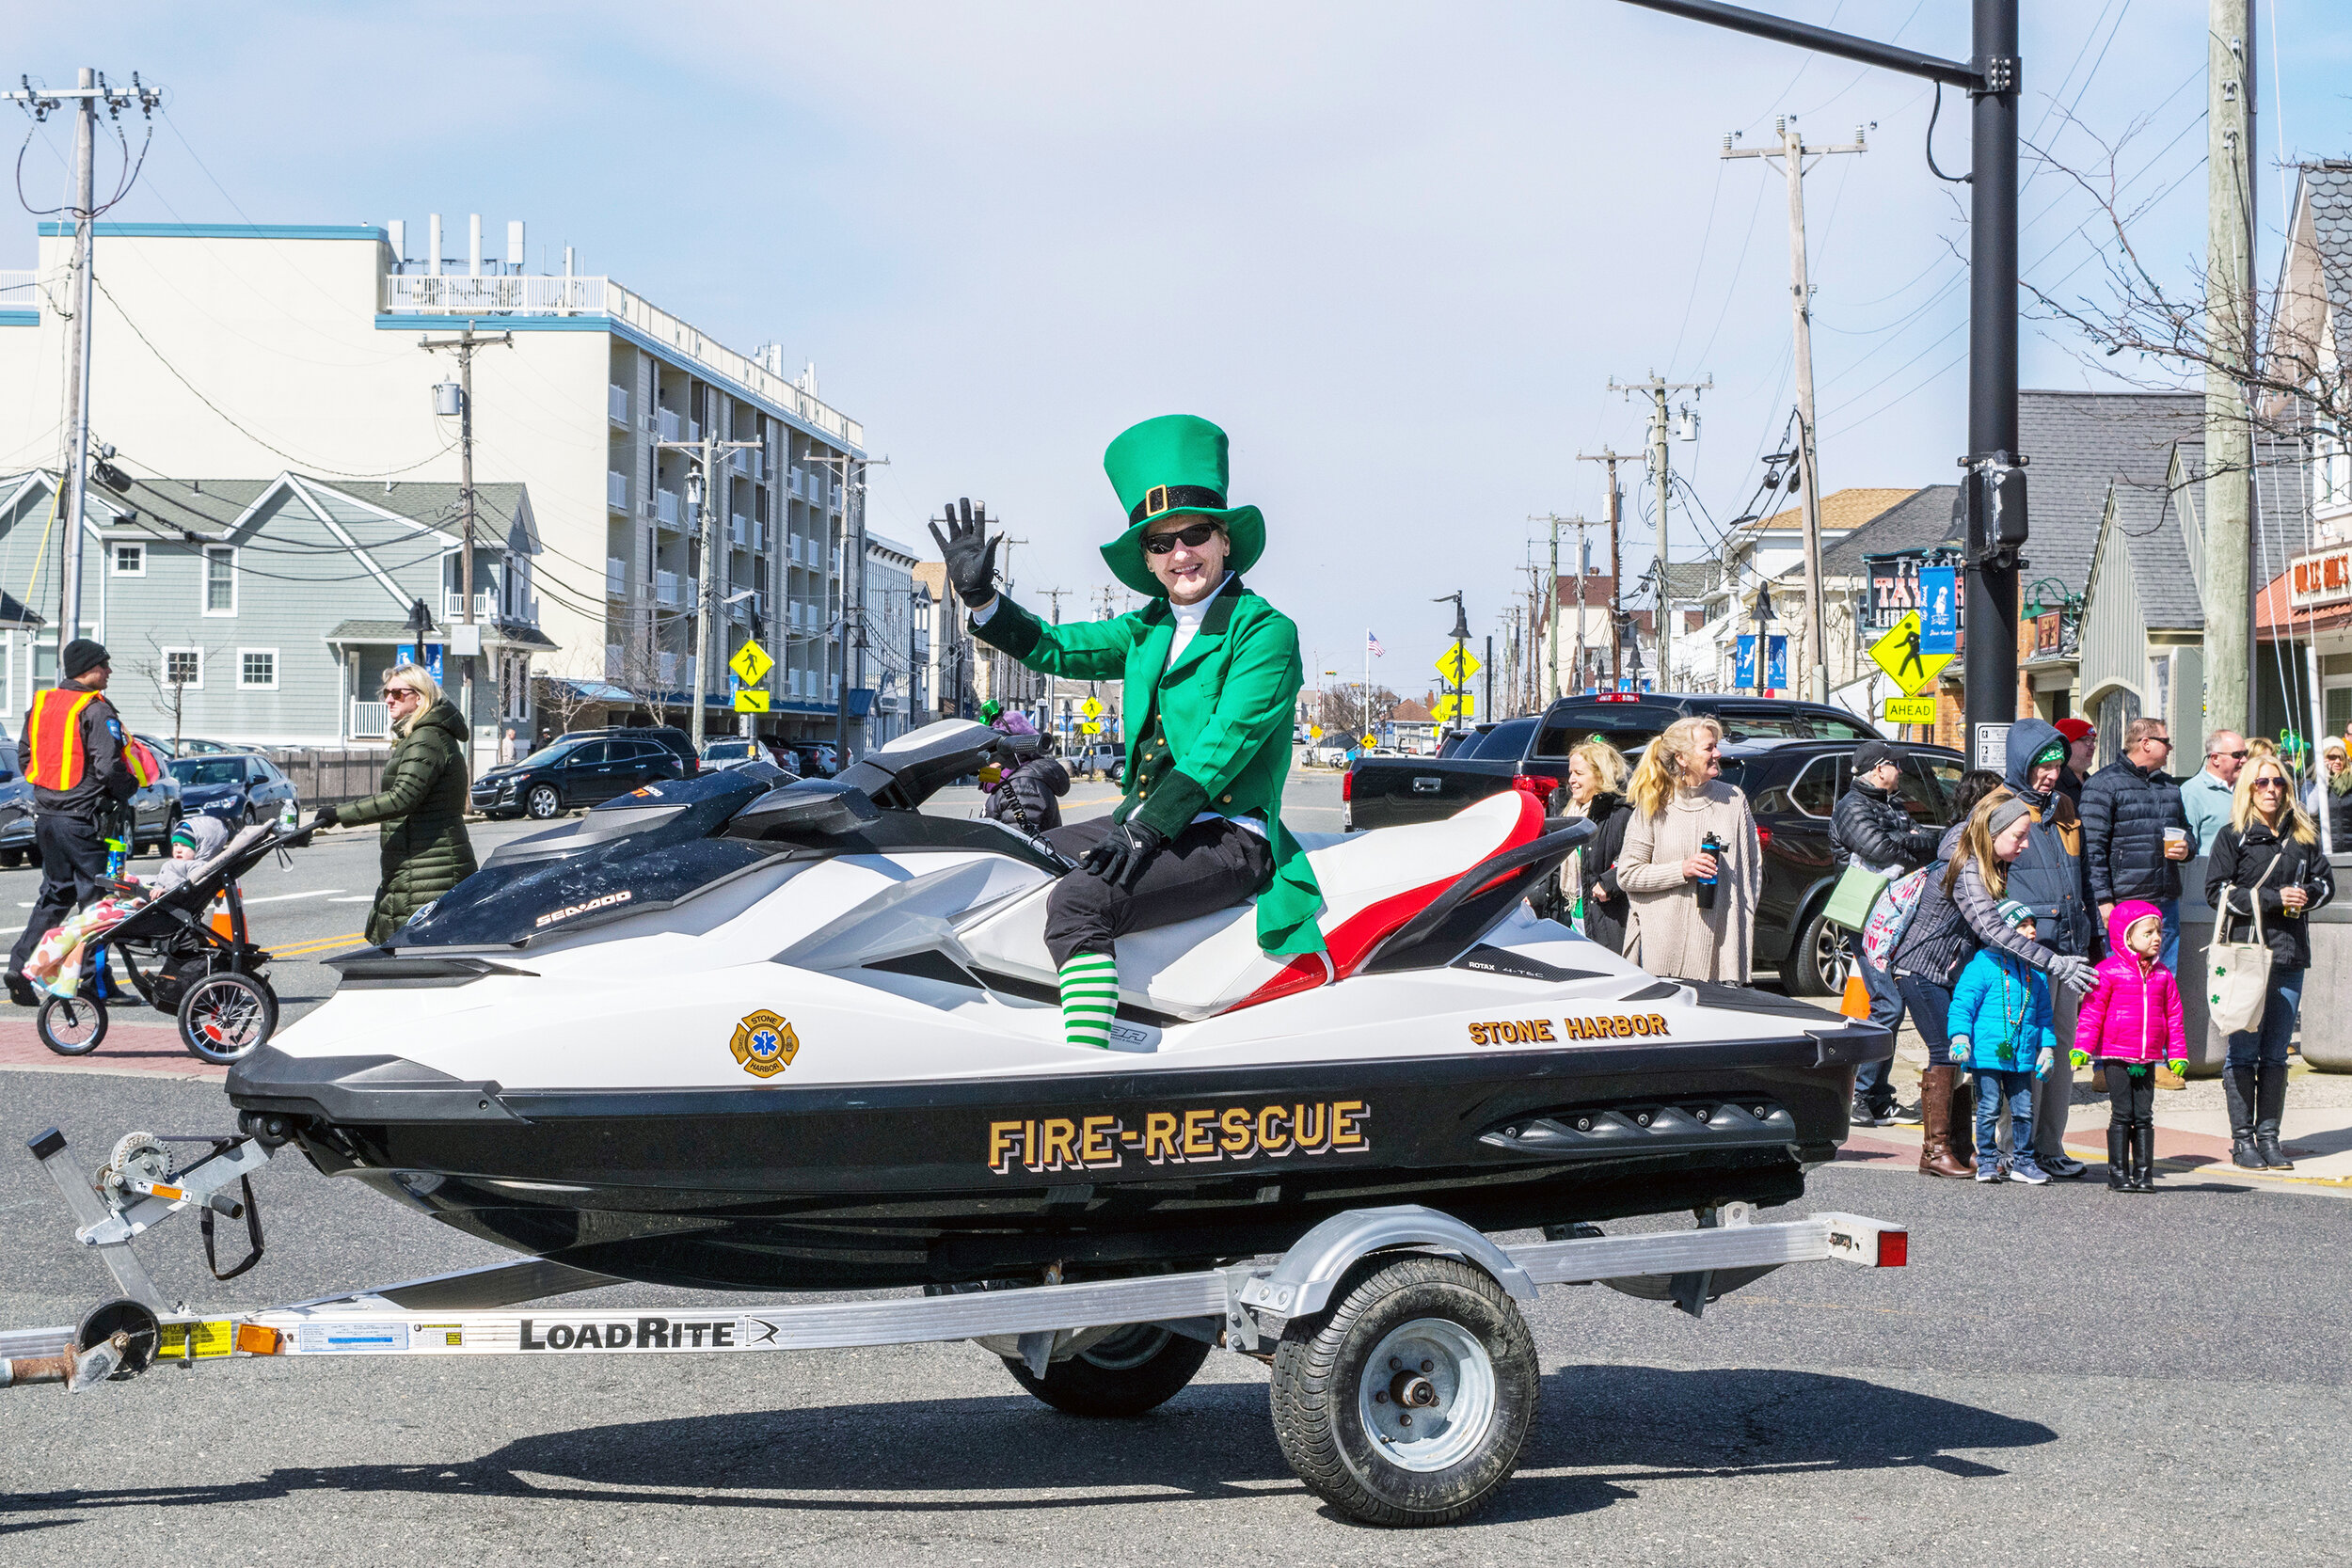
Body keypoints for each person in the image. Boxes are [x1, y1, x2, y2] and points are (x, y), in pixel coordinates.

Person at [934, 415, 1323, 1051]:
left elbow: (1224, 745)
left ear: (1224, 541)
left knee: (1080, 902)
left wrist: (1146, 828)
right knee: (1007, 861)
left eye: (1194, 533)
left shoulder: (1265, 632)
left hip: (1227, 834)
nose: (1180, 554)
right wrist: (983, 601)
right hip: (1144, 823)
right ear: (1147, 559)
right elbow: (1057, 647)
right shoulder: (1149, 631)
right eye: (1160, 543)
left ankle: (1086, 1071)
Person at [1891, 784, 2096, 1179]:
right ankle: (1935, 1153)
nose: (2023, 846)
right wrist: (2055, 963)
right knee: (1945, 1052)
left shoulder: (1989, 863)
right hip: (1920, 969)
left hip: (1951, 969)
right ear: (1993, 833)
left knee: (1965, 1056)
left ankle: (1965, 1148)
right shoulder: (1968, 867)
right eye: (2018, 837)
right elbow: (1994, 931)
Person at [2204, 752, 2334, 1170]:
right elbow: (2217, 893)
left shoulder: (2303, 834)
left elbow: (2325, 883)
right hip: (2246, 955)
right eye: (2262, 783)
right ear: (2248, 789)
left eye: (2278, 782)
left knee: (2277, 1054)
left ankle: (2269, 1137)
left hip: (2290, 952)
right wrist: (2272, 899)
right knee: (2243, 1052)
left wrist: (2307, 896)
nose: (2271, 790)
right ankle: (2243, 1141)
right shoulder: (2233, 836)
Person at [6, 640, 144, 1006]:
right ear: (89, 668)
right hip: (82, 819)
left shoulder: (42, 703)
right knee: (97, 903)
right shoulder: (95, 710)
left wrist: (50, 791)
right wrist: (129, 787)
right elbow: (109, 765)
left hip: (47, 816)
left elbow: (25, 756)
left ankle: (19, 966)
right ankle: (94, 983)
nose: (109, 672)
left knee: (56, 894)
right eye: (105, 665)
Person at [313, 663, 478, 946]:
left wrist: (338, 814)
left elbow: (402, 797)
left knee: (414, 960)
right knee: (403, 957)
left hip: (429, 869)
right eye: (386, 693)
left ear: (420, 696)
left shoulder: (427, 738)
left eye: (398, 693)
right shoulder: (419, 737)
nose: (389, 699)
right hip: (415, 863)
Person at [2000, 720, 2097, 1180]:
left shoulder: (2064, 807)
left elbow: (2084, 877)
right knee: (2025, 1052)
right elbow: (1986, 880)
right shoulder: (1998, 807)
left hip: (2071, 949)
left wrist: (2093, 936)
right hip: (2026, 950)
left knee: (2059, 1052)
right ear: (2022, 763)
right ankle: (2011, 1149)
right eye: (2041, 766)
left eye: (2056, 766)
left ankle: (2049, 1146)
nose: (2050, 775)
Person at [1831, 738, 1939, 1128]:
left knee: (1892, 1005)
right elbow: (1879, 848)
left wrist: (1906, 844)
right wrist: (1910, 847)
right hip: (1867, 916)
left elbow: (1929, 841)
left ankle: (1877, 1098)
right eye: (1896, 765)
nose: (1901, 771)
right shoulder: (1852, 807)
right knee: (1888, 1004)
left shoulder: (1889, 804)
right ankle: (1859, 1095)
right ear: (1879, 769)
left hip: (1894, 914)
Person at [1613, 715, 1762, 982]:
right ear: (1682, 758)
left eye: (1715, 746)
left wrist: (1743, 927)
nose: (1717, 753)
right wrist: (1682, 869)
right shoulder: (1654, 804)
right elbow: (1627, 874)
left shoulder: (1734, 800)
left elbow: (1753, 872)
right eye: (1708, 748)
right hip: (1664, 953)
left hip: (1721, 949)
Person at [22, 816, 230, 998]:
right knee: (89, 918)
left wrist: (162, 892)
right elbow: (160, 880)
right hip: (157, 906)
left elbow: (181, 888)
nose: (178, 850)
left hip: (161, 913)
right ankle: (51, 960)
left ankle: (47, 963)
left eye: (185, 846)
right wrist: (134, 882)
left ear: (202, 847)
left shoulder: (196, 867)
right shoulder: (177, 864)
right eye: (175, 845)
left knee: (89, 924)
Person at [2071, 900, 2187, 1195]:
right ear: (2127, 937)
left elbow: (2174, 1018)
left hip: (2146, 1058)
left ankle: (2144, 1174)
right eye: (2148, 933)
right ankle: (2118, 1174)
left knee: (2144, 1115)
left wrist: (2177, 1056)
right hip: (2116, 1056)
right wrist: (2082, 1047)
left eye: (2158, 931)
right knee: (2122, 1113)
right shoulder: (2108, 972)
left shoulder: (2163, 976)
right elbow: (2092, 1012)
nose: (2156, 938)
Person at [1947, 898, 2060, 1183]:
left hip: (2021, 1055)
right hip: (1986, 1054)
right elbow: (1962, 1005)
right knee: (1988, 1107)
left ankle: (2023, 1161)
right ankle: (1987, 1161)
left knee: (2024, 1110)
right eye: (2023, 925)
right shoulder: (1981, 966)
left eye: (2032, 925)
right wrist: (1960, 1037)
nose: (2032, 931)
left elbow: (2044, 1017)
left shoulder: (2036, 973)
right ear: (2002, 930)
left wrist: (2046, 1048)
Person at [2079, 716, 2192, 972]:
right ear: (2146, 743)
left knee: (2164, 979)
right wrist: (2103, 900)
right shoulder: (2103, 784)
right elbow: (2091, 849)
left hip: (2165, 901)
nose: (2170, 748)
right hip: (2125, 902)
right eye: (2166, 742)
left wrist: (2187, 849)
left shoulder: (2168, 786)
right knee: (2125, 979)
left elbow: (2187, 831)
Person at [1562, 737, 1634, 954]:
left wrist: (1610, 883)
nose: (1571, 780)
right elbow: (1555, 868)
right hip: (1571, 921)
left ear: (1600, 776)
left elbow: (1636, 859)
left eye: (1579, 773)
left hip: (1606, 924)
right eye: (1571, 773)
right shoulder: (1568, 814)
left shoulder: (1622, 813)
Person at [2182, 729, 2248, 854]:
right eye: (2237, 755)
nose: (2244, 760)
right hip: (2210, 871)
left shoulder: (2249, 788)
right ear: (2215, 758)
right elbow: (2187, 847)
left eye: (2245, 753)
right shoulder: (2192, 792)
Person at [2307, 736, 2352, 850]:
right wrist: (2323, 780)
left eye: (2341, 757)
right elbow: (2311, 810)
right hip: (2323, 849)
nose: (2337, 761)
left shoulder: (2350, 781)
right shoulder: (2311, 782)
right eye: (2332, 757)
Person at [2054, 716, 2097, 810]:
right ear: (2066, 745)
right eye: (2087, 740)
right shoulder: (2053, 784)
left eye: (2093, 741)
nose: (2093, 747)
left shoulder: (2094, 783)